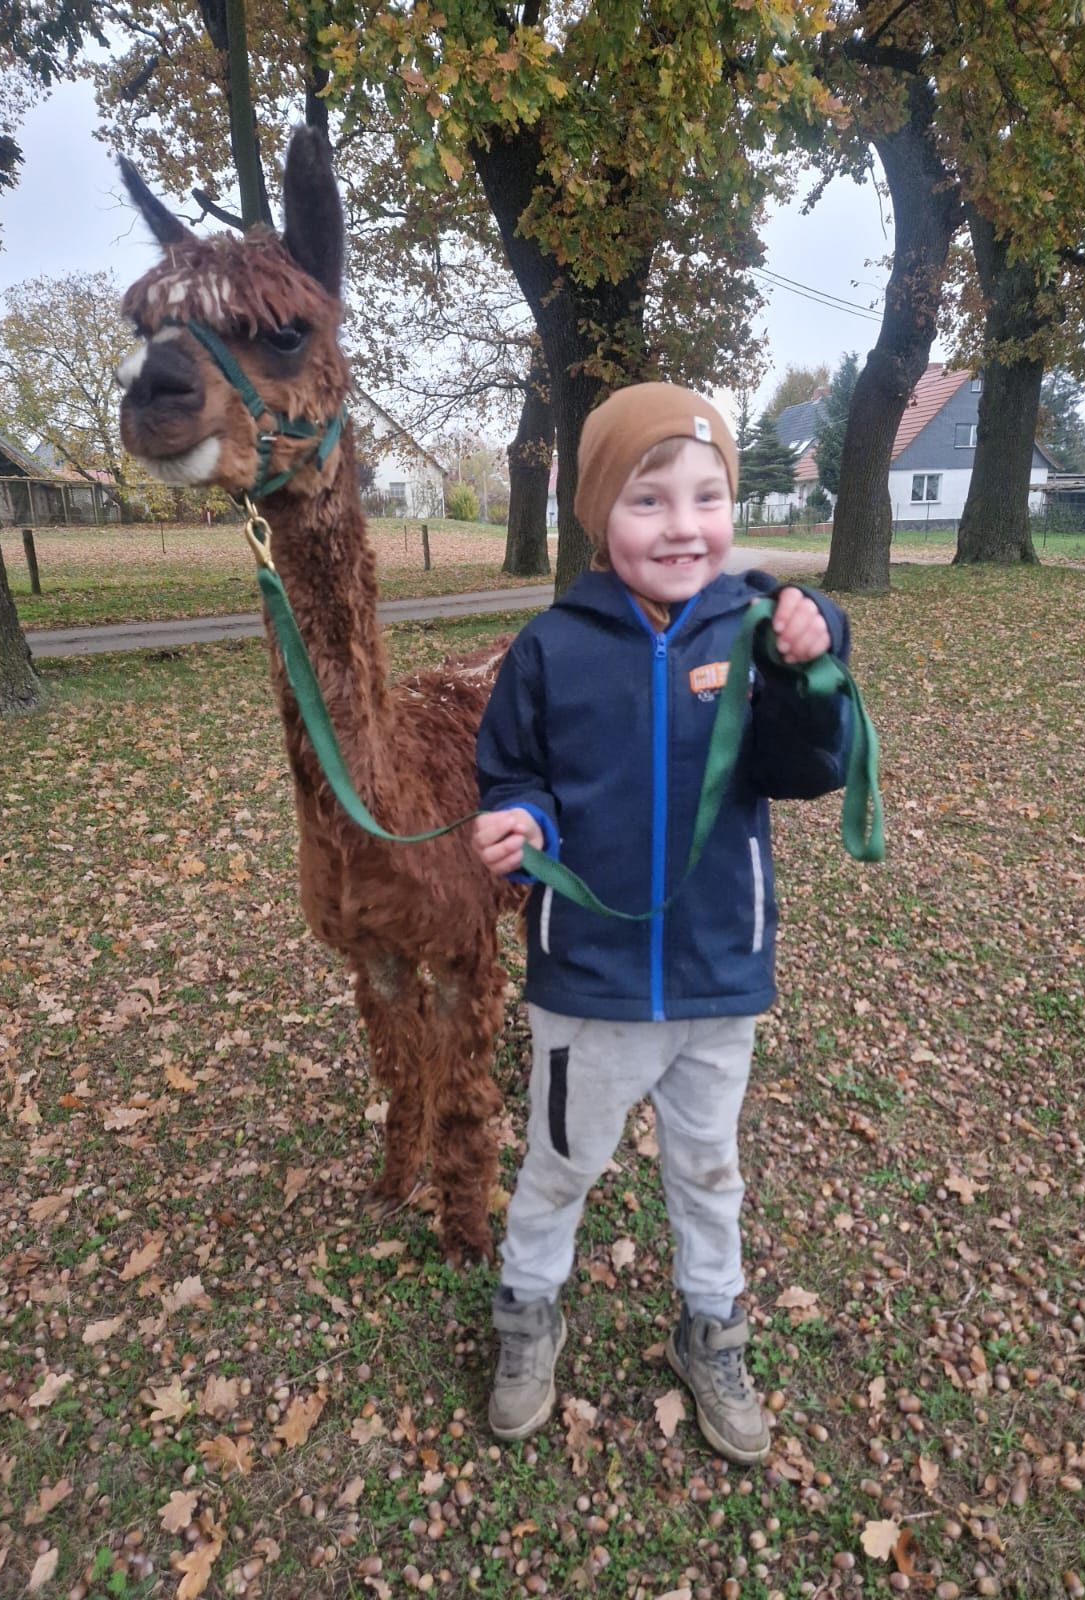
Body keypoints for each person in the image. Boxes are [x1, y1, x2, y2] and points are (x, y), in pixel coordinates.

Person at [471, 383, 853, 1464]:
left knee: (708, 1170)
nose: (683, 525)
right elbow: (515, 771)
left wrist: (812, 664)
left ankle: (711, 1327)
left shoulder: (754, 627)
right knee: (559, 1163)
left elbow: (805, 768)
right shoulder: (549, 648)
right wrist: (519, 821)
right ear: (600, 516)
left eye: (707, 496)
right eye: (649, 500)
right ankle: (526, 1311)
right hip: (584, 983)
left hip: (716, 977)